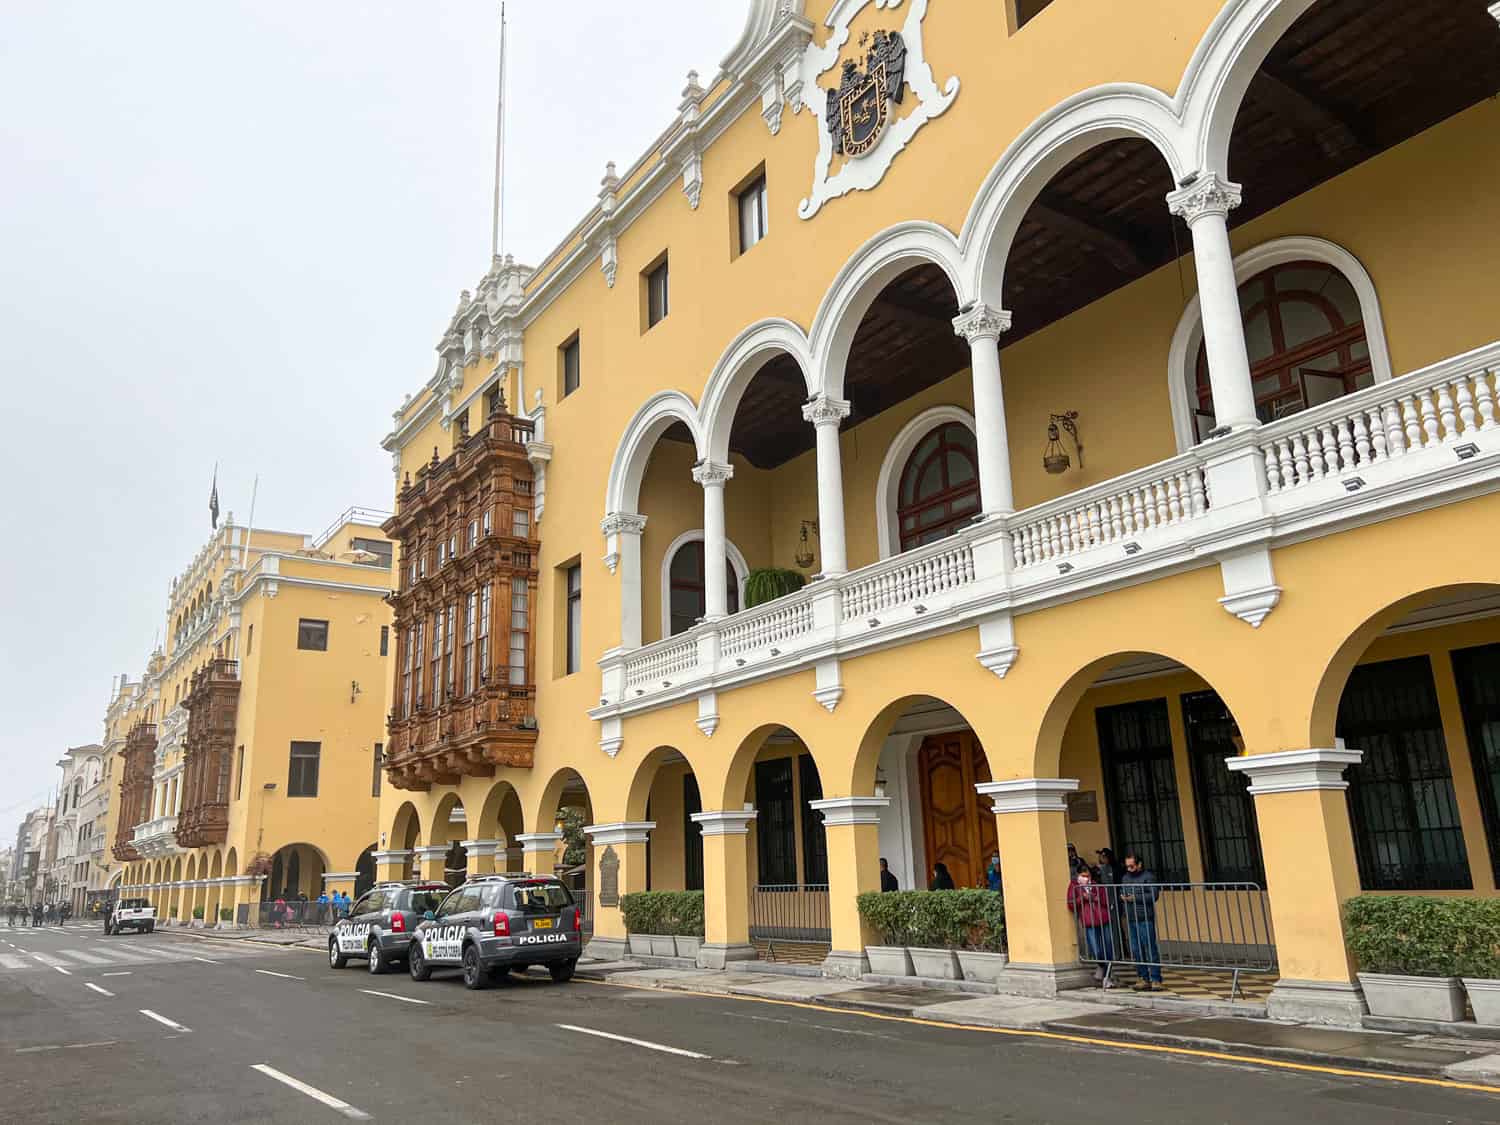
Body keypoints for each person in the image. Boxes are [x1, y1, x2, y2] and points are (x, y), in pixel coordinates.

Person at [1119, 851, 1164, 991]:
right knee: (1136, 950)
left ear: (1139, 864)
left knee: (1150, 948)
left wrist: (1135, 898)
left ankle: (1156, 979)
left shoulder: (1148, 877)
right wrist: (1123, 896)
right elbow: (1122, 890)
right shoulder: (1125, 878)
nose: (1129, 869)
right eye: (1127, 866)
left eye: (1131, 866)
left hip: (1145, 917)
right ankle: (1143, 977)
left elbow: (1154, 895)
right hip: (1131, 917)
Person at [1067, 867, 1115, 988]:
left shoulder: (1097, 885)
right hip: (1089, 922)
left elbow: (1106, 900)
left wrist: (1094, 897)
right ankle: (1101, 967)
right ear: (1078, 875)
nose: (1086, 878)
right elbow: (1071, 904)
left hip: (1104, 919)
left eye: (1088, 876)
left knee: (1108, 948)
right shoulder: (1074, 886)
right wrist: (1082, 898)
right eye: (1083, 876)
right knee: (1096, 949)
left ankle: (1107, 976)